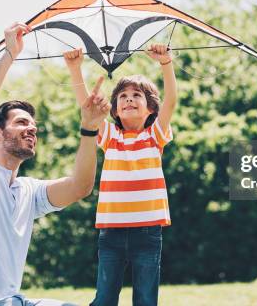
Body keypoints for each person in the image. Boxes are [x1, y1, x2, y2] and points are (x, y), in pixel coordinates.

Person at [0, 23, 110, 306]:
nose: (32, 129)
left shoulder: (28, 191)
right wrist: (10, 53)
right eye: (22, 122)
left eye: (34, 125)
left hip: (14, 301)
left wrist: (89, 128)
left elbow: (80, 187)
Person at [63, 44, 177, 306]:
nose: (128, 99)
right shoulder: (110, 136)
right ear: (114, 110)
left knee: (146, 300)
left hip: (148, 232)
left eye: (137, 95)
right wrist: (75, 70)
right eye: (122, 96)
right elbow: (87, 106)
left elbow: (171, 100)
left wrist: (166, 64)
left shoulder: (154, 135)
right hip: (111, 231)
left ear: (151, 109)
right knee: (104, 299)